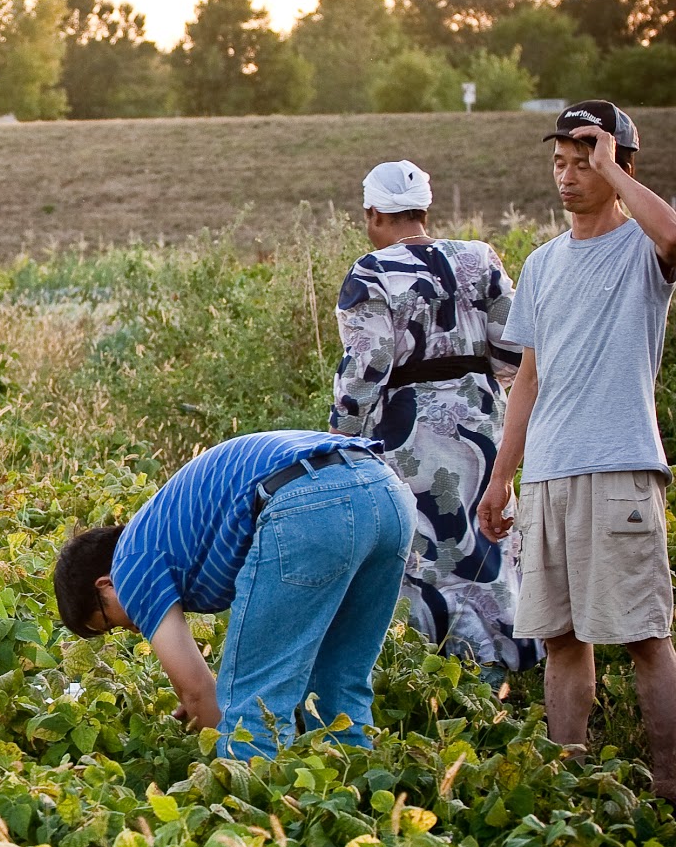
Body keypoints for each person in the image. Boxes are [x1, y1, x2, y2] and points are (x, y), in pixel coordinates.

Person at [477, 101, 676, 802]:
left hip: (619, 466)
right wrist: (503, 477)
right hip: (550, 475)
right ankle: (569, 792)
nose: (569, 174)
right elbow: (529, 377)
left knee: (644, 635)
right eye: (560, 160)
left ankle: (669, 791)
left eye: (584, 157)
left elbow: (675, 234)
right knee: (561, 639)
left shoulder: (643, 249)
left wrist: (613, 166)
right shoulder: (542, 263)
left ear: (618, 161)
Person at [54, 431, 414, 759]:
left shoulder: (130, 566)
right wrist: (209, 704)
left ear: (105, 585)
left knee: (254, 709)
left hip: (311, 505)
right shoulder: (162, 533)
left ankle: (253, 825)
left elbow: (198, 692)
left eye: (108, 622)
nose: (130, 630)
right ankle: (356, 796)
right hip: (385, 491)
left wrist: (215, 719)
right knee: (338, 685)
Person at [331, 160, 539, 678]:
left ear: (374, 213)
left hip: (409, 437)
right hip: (485, 427)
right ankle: (508, 673)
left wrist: (339, 440)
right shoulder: (479, 257)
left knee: (418, 554)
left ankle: (430, 677)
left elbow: (368, 365)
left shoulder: (371, 272)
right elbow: (514, 349)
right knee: (488, 543)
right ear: (423, 208)